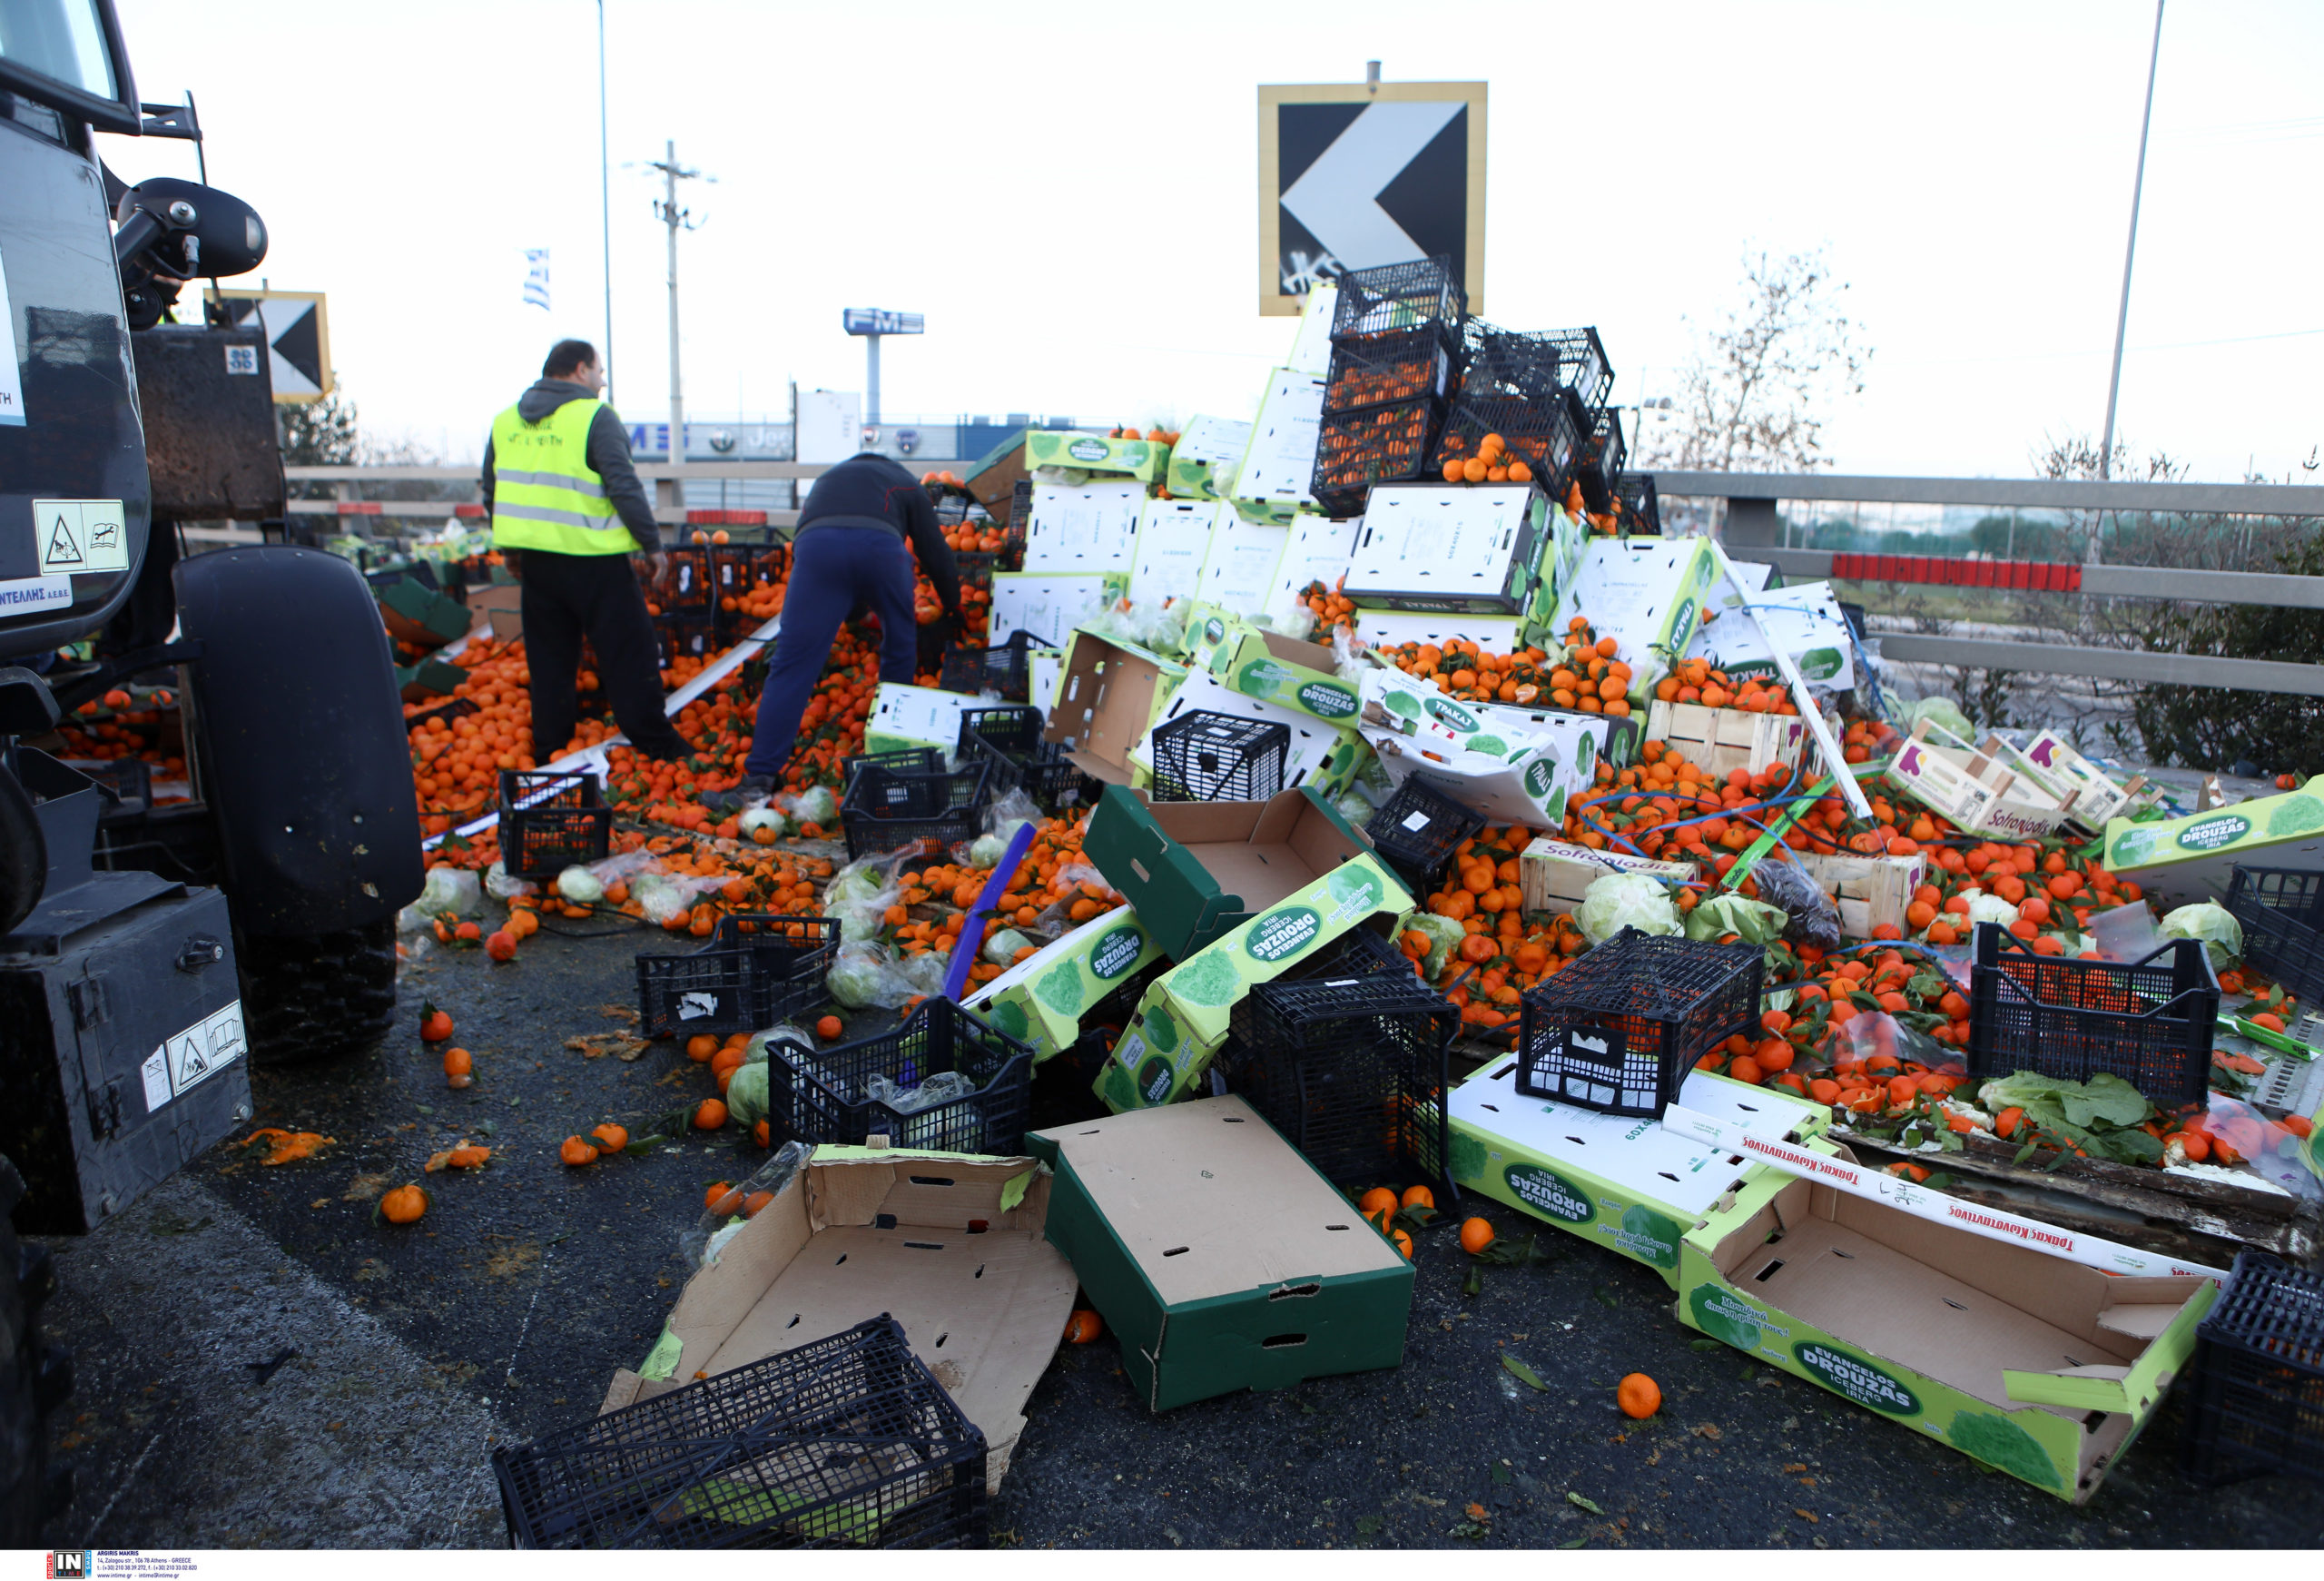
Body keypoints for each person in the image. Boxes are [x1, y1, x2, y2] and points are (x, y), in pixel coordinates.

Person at [709, 450, 962, 809]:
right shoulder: (906, 482)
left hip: (816, 549)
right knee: (900, 646)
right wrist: (953, 608)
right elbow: (936, 553)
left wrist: (854, 612)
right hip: (881, 550)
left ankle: (756, 784)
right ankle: (891, 773)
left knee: (792, 665)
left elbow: (831, 550)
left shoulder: (828, 479)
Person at [481, 340, 690, 764]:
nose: (602, 379)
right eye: (599, 370)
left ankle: (550, 751)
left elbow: (493, 491)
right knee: (630, 652)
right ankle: (656, 744)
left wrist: (512, 549)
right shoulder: (595, 416)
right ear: (579, 370)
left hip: (538, 566)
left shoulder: (505, 422)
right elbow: (623, 485)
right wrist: (652, 545)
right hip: (596, 563)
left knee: (550, 662)